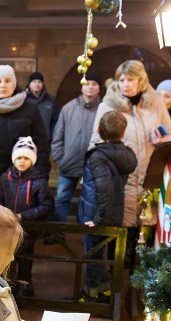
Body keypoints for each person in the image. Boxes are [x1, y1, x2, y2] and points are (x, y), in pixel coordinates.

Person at [90, 60, 171, 266]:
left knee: (143, 245)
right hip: (121, 184)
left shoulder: (156, 104)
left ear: (141, 80)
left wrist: (162, 140)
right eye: (122, 80)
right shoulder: (107, 105)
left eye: (131, 79)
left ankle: (136, 292)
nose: (126, 84)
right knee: (117, 244)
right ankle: (114, 290)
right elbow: (95, 143)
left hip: (149, 183)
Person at [79, 111, 137, 301]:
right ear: (122, 133)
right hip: (114, 212)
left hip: (99, 214)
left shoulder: (99, 156)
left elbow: (105, 190)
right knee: (103, 256)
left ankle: (93, 294)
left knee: (93, 256)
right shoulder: (126, 154)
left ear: (98, 130)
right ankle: (103, 292)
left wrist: (98, 219)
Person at [0, 64, 51, 194]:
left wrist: (41, 174)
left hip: (26, 179)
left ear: (14, 84)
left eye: (7, 81)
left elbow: (41, 144)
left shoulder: (30, 110)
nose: (3, 85)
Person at [0, 137, 53, 297]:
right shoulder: (5, 178)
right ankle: (9, 285)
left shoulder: (39, 181)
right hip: (7, 228)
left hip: (28, 228)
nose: (22, 161)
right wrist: (4, 214)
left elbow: (45, 206)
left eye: (26, 158)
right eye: (19, 157)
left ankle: (25, 284)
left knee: (26, 257)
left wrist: (23, 215)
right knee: (9, 257)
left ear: (32, 160)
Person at [51, 71, 103, 222]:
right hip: (69, 164)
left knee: (89, 203)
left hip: (93, 165)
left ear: (99, 88)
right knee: (62, 199)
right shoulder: (68, 108)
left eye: (94, 84)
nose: (90, 87)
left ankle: (86, 237)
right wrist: (61, 159)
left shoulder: (103, 109)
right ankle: (58, 234)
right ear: (82, 86)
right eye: (87, 83)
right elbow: (57, 138)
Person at [25, 71, 60, 143]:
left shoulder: (51, 101)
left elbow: (56, 121)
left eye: (39, 82)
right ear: (29, 84)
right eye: (34, 82)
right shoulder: (23, 100)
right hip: (27, 142)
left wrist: (52, 137)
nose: (37, 84)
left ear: (42, 84)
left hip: (46, 142)